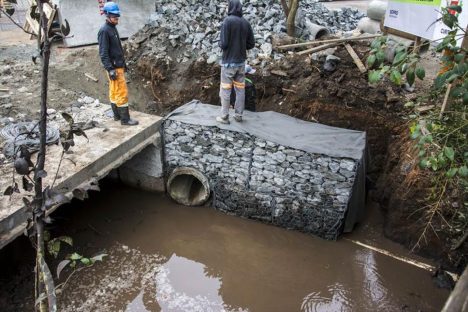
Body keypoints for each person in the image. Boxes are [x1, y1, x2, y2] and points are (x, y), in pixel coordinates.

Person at [98, 1, 138, 126]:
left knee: (114, 91)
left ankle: (117, 116)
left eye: (117, 16)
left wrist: (123, 65)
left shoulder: (112, 28)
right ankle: (125, 119)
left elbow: (116, 49)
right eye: (115, 16)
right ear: (108, 15)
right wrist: (110, 69)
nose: (117, 18)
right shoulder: (105, 31)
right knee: (121, 92)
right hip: (114, 68)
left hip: (117, 66)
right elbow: (103, 52)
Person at [217, 0, 255, 124]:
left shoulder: (227, 21)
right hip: (241, 63)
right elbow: (251, 44)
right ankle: (238, 115)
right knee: (240, 90)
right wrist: (241, 45)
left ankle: (224, 117)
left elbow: (224, 44)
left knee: (226, 89)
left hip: (228, 63)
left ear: (230, 8)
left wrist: (219, 43)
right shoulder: (245, 23)